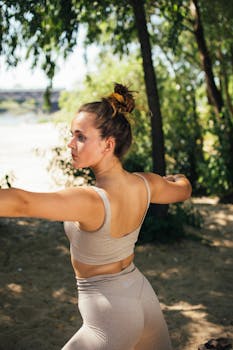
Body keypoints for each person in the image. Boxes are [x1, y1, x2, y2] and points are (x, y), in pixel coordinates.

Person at [0, 83, 192, 350]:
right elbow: (183, 190)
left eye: (80, 136)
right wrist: (177, 178)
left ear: (107, 144)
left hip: (111, 316)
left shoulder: (90, 199)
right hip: (141, 295)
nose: (70, 143)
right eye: (72, 135)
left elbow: (22, 204)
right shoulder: (146, 184)